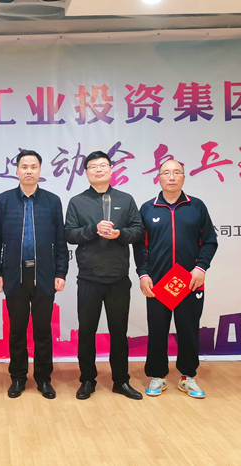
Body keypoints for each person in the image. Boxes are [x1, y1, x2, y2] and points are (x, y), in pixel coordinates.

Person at [134, 159, 218, 399]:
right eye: (166, 173)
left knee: (188, 330)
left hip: (190, 281)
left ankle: (187, 376)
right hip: (158, 283)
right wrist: (143, 274)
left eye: (177, 172)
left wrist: (201, 268)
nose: (171, 177)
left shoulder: (196, 207)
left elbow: (210, 241)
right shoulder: (148, 209)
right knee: (157, 329)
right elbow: (140, 246)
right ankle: (157, 375)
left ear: (184, 177)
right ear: (159, 177)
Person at [65, 150, 144, 400]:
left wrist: (120, 234)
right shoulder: (77, 201)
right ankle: (87, 380)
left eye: (103, 165)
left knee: (119, 332)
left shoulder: (126, 199)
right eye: (93, 167)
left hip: (118, 278)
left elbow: (138, 231)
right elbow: (69, 234)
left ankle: (121, 380)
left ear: (111, 170)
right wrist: (93, 229)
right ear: (86, 173)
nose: (98, 170)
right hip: (89, 278)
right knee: (86, 332)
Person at [0, 150, 69, 399]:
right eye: (24, 166)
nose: (28, 171)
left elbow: (60, 240)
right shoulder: (4, 201)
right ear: (17, 171)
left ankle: (44, 379)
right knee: (17, 330)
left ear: (40, 170)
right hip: (14, 275)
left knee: (43, 331)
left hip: (44, 274)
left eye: (33, 166)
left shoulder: (52, 201)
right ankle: (18, 377)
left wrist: (61, 271)